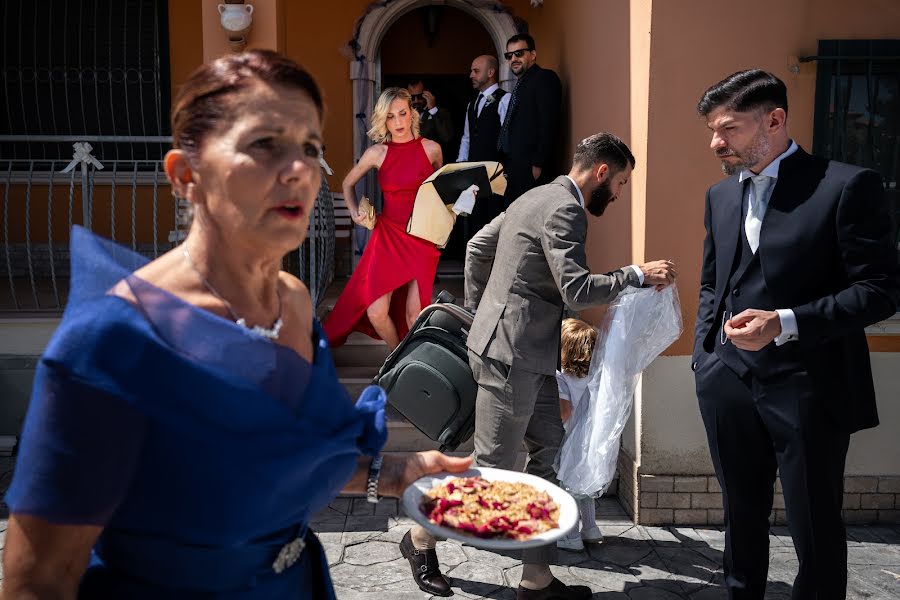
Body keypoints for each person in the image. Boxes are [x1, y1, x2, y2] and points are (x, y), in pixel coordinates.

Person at [0, 50, 471, 599]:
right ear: (186, 175)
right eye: (264, 145)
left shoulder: (293, 303)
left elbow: (278, 455)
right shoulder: (110, 339)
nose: (298, 169)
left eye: (310, 148)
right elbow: (39, 580)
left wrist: (393, 473)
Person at [401, 132, 677, 600]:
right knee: (491, 471)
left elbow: (476, 251)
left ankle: (536, 580)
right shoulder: (566, 209)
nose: (619, 194)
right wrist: (635, 275)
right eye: (622, 183)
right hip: (510, 356)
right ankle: (420, 538)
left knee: (549, 457)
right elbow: (577, 290)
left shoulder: (534, 196)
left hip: (525, 354)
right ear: (602, 172)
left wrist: (482, 316)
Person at [692, 69, 900, 600]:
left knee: (815, 527)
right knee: (740, 516)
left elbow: (880, 290)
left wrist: (784, 322)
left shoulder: (845, 185)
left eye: (729, 129)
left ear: (775, 120)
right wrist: (705, 360)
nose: (716, 142)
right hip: (729, 383)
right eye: (713, 131)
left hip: (811, 384)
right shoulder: (719, 195)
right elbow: (713, 283)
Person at [324, 87, 443, 350]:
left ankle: (405, 364)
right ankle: (398, 357)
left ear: (412, 113)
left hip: (423, 238)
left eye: (403, 113)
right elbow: (347, 183)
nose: (398, 122)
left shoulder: (432, 149)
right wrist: (355, 213)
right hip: (388, 236)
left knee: (415, 315)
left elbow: (444, 192)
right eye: (390, 116)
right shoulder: (377, 153)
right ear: (383, 119)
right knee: (376, 312)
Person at [554, 318, 604, 552]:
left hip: (572, 439)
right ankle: (591, 528)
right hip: (592, 437)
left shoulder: (561, 378)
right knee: (585, 487)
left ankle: (571, 535)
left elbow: (565, 411)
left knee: (569, 488)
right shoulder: (595, 376)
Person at [496, 33, 562, 206]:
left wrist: (538, 164)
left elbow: (548, 123)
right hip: (513, 167)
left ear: (533, 54)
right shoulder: (521, 84)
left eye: (519, 53)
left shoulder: (544, 78)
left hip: (531, 169)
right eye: (509, 56)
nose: (513, 59)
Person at [457, 54, 509, 234]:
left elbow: (508, 138)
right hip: (474, 176)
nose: (471, 75)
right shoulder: (472, 104)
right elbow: (467, 138)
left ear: (491, 72)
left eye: (476, 71)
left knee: (494, 222)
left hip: (496, 175)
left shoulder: (505, 99)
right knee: (475, 220)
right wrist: (460, 166)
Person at [408, 79, 454, 160]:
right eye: (412, 97)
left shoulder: (441, 112)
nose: (416, 101)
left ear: (427, 94)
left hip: (433, 163)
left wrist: (433, 110)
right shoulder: (405, 113)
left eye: (419, 96)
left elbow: (446, 137)